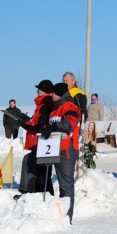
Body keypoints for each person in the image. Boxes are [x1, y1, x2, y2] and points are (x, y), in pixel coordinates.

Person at [42, 82, 82, 224]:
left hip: (67, 149)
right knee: (55, 183)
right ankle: (58, 214)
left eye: (53, 93)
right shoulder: (54, 110)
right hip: (53, 149)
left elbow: (69, 124)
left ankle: (67, 218)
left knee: (66, 185)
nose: (51, 95)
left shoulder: (70, 107)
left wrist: (53, 126)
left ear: (58, 94)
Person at [14, 80, 55, 200]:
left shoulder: (44, 105)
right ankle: (44, 194)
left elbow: (39, 127)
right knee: (42, 170)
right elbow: (37, 122)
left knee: (32, 163)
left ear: (44, 91)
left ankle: (27, 192)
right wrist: (26, 120)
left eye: (39, 89)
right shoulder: (44, 104)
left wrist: (24, 124)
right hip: (43, 143)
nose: (37, 91)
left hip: (42, 142)